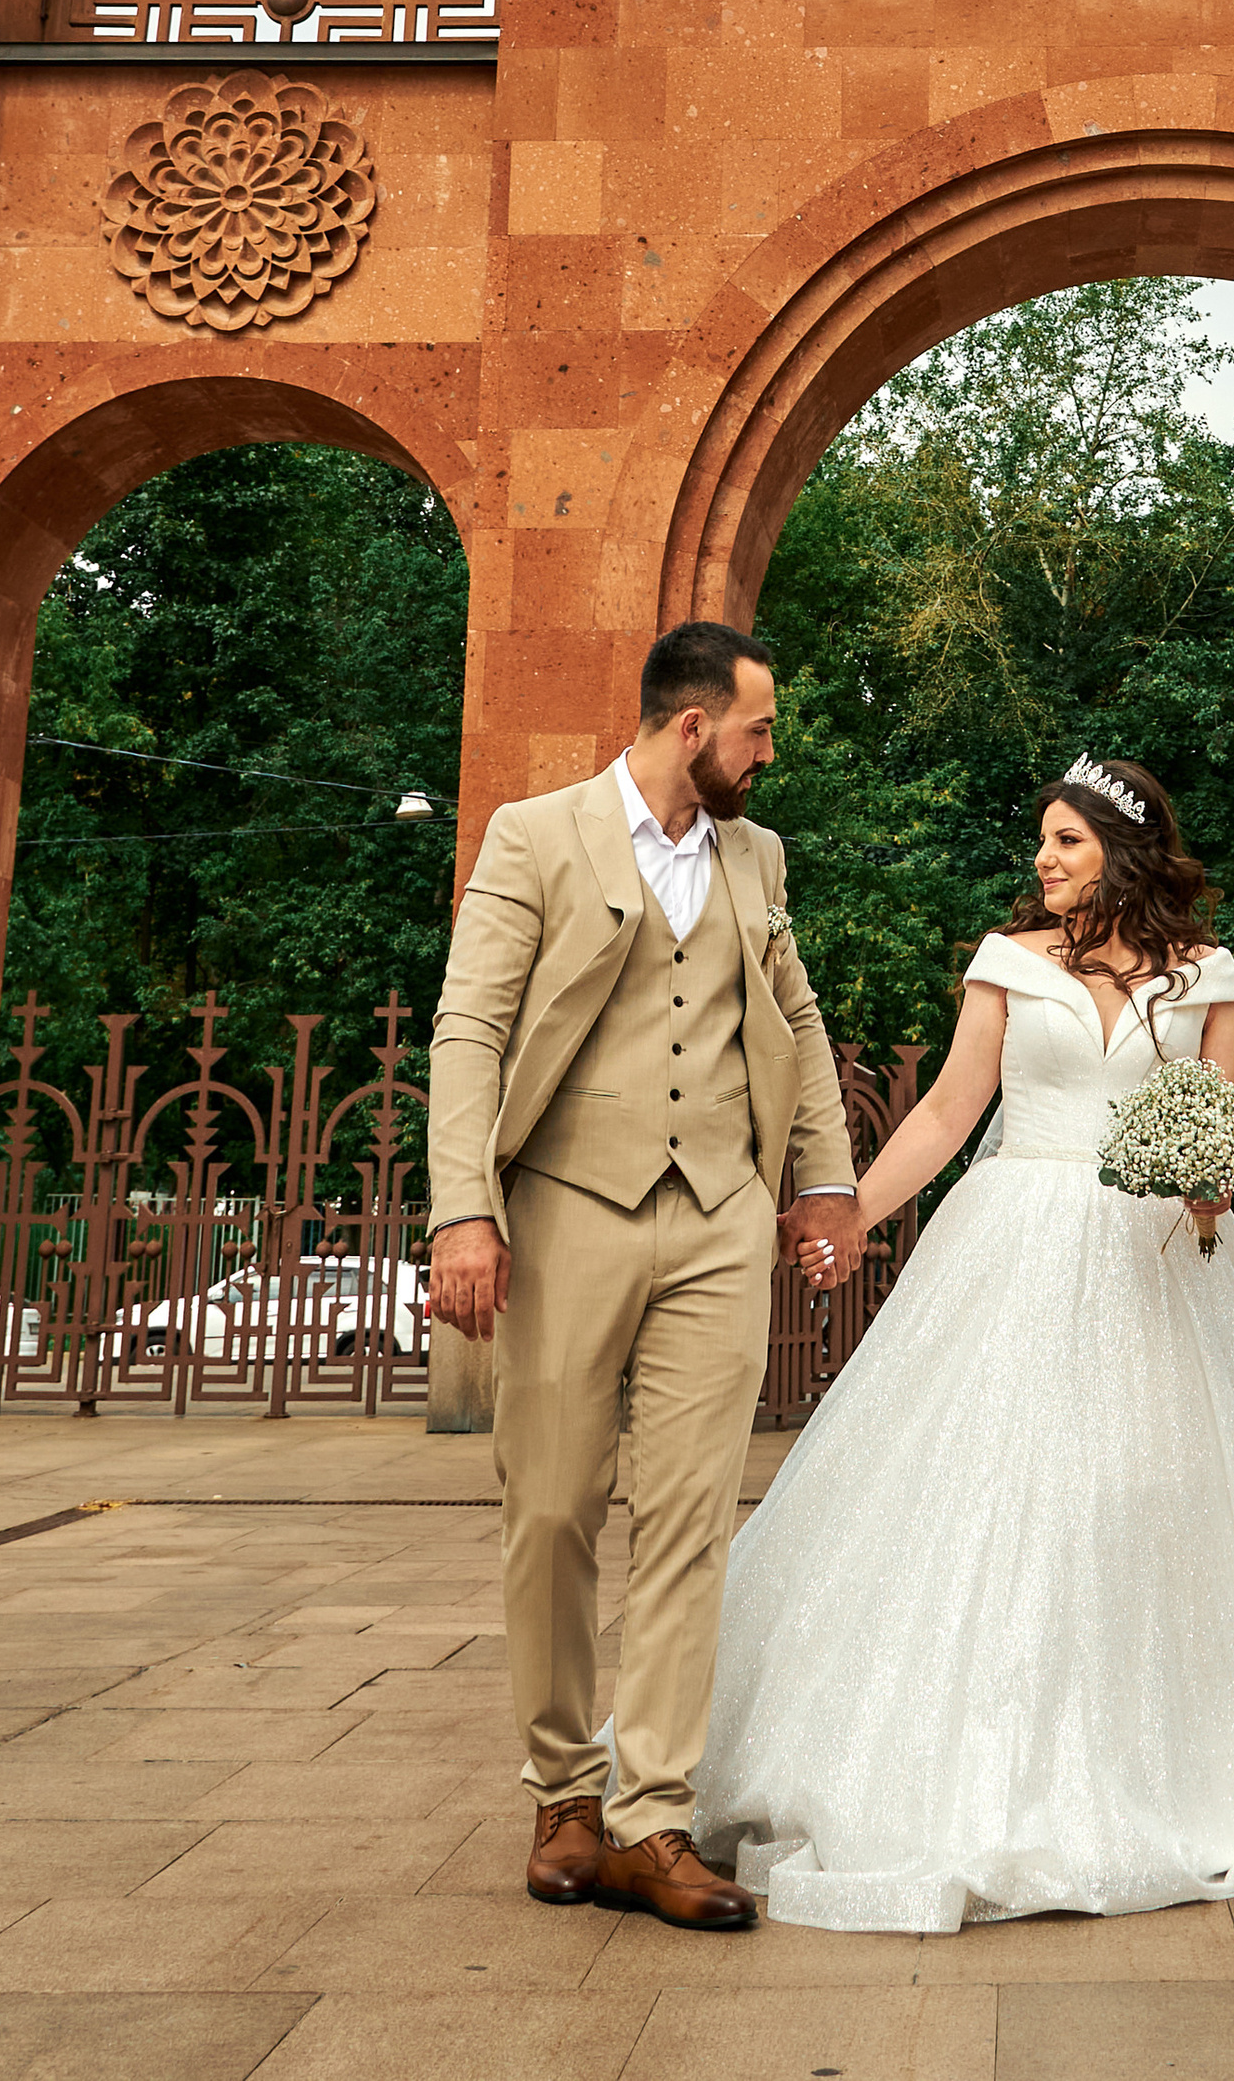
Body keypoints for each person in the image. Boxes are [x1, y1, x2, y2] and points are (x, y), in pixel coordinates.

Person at [694, 756, 1234, 1931]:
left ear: (1125, 851)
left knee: (1152, 1491)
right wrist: (852, 1210)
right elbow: (951, 1111)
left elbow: (1222, 1126)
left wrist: (1205, 1189)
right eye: (1042, 842)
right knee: (985, 1483)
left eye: (1067, 842)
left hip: (1156, 1261)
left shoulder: (1210, 975)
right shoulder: (1007, 961)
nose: (1043, 860)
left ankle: (1168, 1748)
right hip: (1013, 1239)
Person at [425, 622, 867, 1929]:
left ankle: (652, 1817)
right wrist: (466, 1210)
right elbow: (471, 1023)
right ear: (692, 726)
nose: (767, 752)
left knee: (688, 1518)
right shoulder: (537, 836)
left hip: (720, 1220)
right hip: (567, 1212)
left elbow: (790, 1012)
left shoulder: (757, 857)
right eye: (758, 729)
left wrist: (822, 1178)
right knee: (553, 1505)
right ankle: (562, 1790)